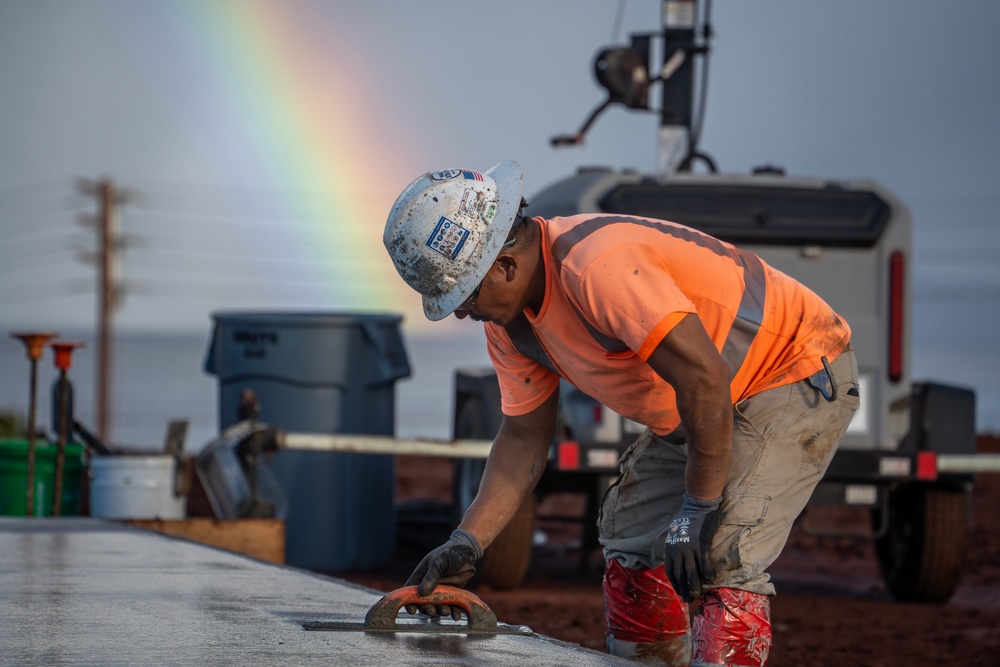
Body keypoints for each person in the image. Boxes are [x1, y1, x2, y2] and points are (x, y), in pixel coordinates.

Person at [383, 161, 860, 667]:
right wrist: (467, 543)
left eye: (466, 294)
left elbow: (704, 379)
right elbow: (524, 435)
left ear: (504, 265)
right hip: (702, 406)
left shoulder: (598, 267)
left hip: (791, 370)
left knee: (725, 553)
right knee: (632, 537)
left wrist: (697, 509)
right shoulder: (509, 325)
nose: (461, 311)